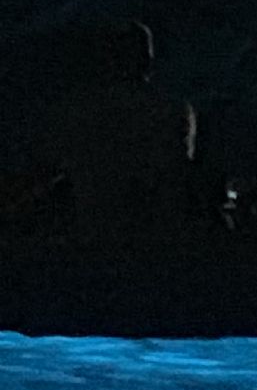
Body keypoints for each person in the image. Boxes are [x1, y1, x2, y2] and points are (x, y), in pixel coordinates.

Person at [36, 20, 199, 239]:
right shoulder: (172, 109)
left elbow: (54, 163)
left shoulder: (77, 111)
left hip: (93, 232)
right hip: (154, 236)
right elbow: (178, 171)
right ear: (148, 60)